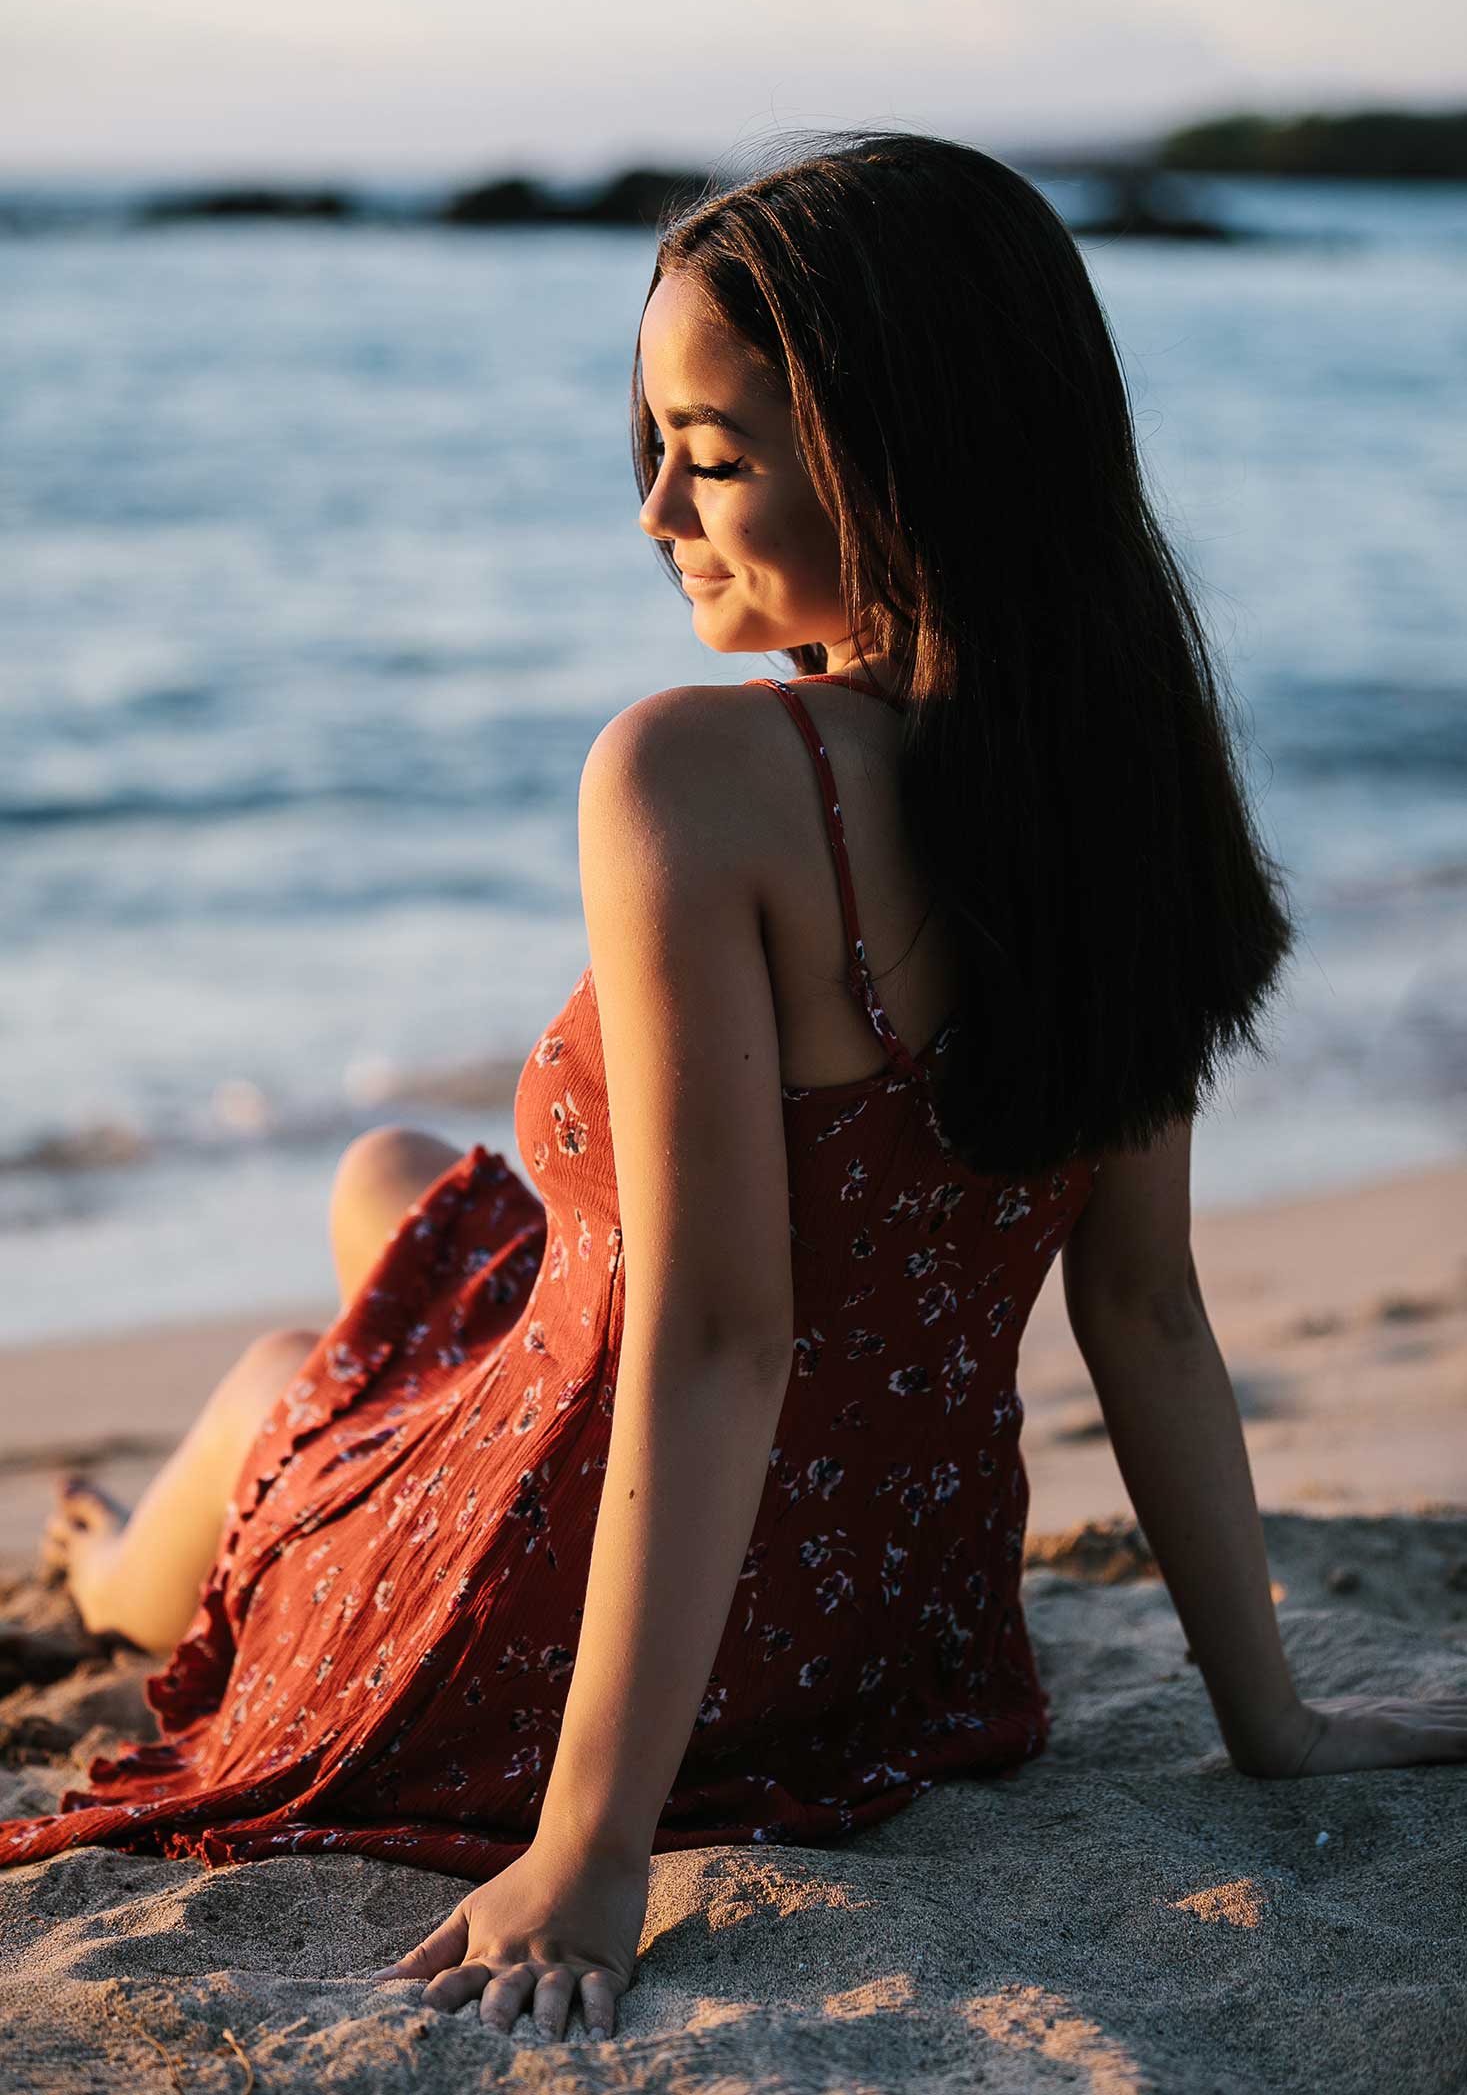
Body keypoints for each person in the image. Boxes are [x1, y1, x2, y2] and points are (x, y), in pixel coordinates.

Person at [7, 130, 1465, 2043]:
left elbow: (715, 1339)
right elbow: (1145, 1301)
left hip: (590, 1630)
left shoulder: (700, 776)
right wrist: (1273, 1719)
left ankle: (119, 1574)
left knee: (300, 1371)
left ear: (903, 457)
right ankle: (235, 1471)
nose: (652, 511)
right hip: (896, 1646)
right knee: (406, 1196)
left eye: (709, 452)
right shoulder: (1120, 782)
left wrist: (592, 1844)